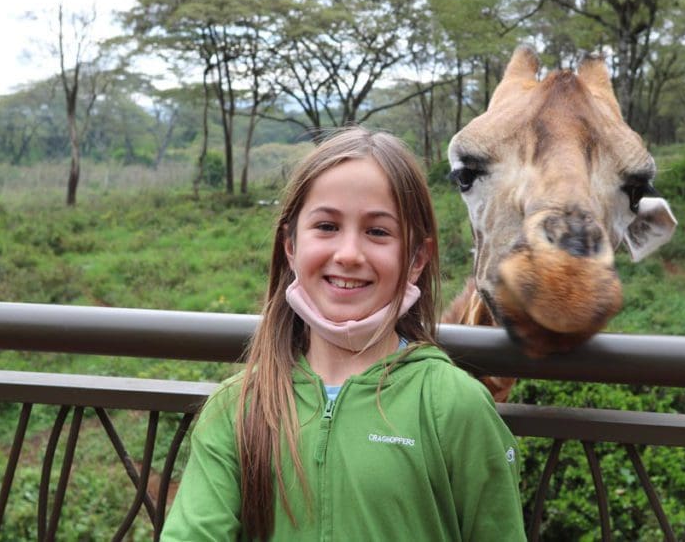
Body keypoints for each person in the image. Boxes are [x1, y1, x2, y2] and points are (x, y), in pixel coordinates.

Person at [161, 127, 525, 541]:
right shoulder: (239, 408)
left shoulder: (454, 407)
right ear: (291, 246)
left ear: (417, 259)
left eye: (378, 232)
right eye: (327, 226)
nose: (349, 254)